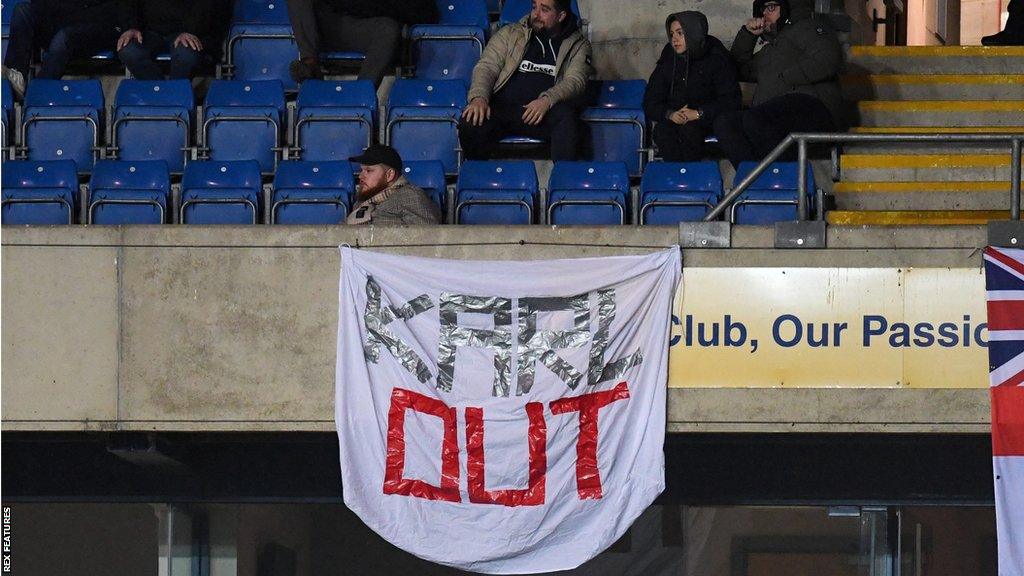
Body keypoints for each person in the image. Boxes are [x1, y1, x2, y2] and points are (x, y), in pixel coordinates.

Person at [712, 0, 843, 167]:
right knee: (726, 123)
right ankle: (754, 180)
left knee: (756, 119)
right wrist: (748, 34)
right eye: (762, 10)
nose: (765, 14)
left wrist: (785, 78)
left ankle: (782, 175)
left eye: (771, 7)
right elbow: (737, 69)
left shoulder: (806, 27)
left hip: (813, 108)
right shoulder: (769, 52)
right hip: (773, 115)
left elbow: (828, 57)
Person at [458, 0, 592, 161]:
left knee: (566, 118)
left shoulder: (578, 44)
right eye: (534, 6)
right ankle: (478, 180)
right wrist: (479, 97)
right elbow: (486, 67)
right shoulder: (510, 33)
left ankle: (563, 181)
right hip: (504, 108)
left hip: (543, 113)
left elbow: (576, 81)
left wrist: (547, 100)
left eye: (545, 10)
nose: (536, 14)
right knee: (471, 119)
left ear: (561, 16)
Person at [643, 11, 741, 162]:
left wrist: (698, 113)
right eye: (672, 34)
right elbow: (651, 100)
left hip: (707, 119)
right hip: (675, 117)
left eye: (680, 33)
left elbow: (731, 100)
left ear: (693, 33)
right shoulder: (669, 58)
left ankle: (691, 178)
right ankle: (676, 178)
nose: (674, 39)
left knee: (691, 131)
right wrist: (670, 114)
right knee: (662, 131)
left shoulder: (716, 57)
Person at [286, 0, 438, 88]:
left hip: (369, 28)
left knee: (388, 29)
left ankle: (360, 95)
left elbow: (427, 13)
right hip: (330, 25)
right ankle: (310, 63)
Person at [1, 0, 121, 98]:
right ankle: (16, 78)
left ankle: (37, 94)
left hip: (98, 26)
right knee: (22, 10)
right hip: (63, 20)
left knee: (62, 38)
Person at [116, 0, 225, 80]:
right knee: (128, 50)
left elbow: (207, 7)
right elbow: (127, 4)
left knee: (186, 52)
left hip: (188, 30)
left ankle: (177, 95)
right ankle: (157, 91)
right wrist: (131, 27)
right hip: (147, 31)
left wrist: (191, 30)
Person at [347, 145, 442, 225]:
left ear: (389, 175)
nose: (360, 176)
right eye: (361, 170)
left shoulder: (410, 195)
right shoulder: (362, 202)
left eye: (368, 171)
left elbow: (428, 236)